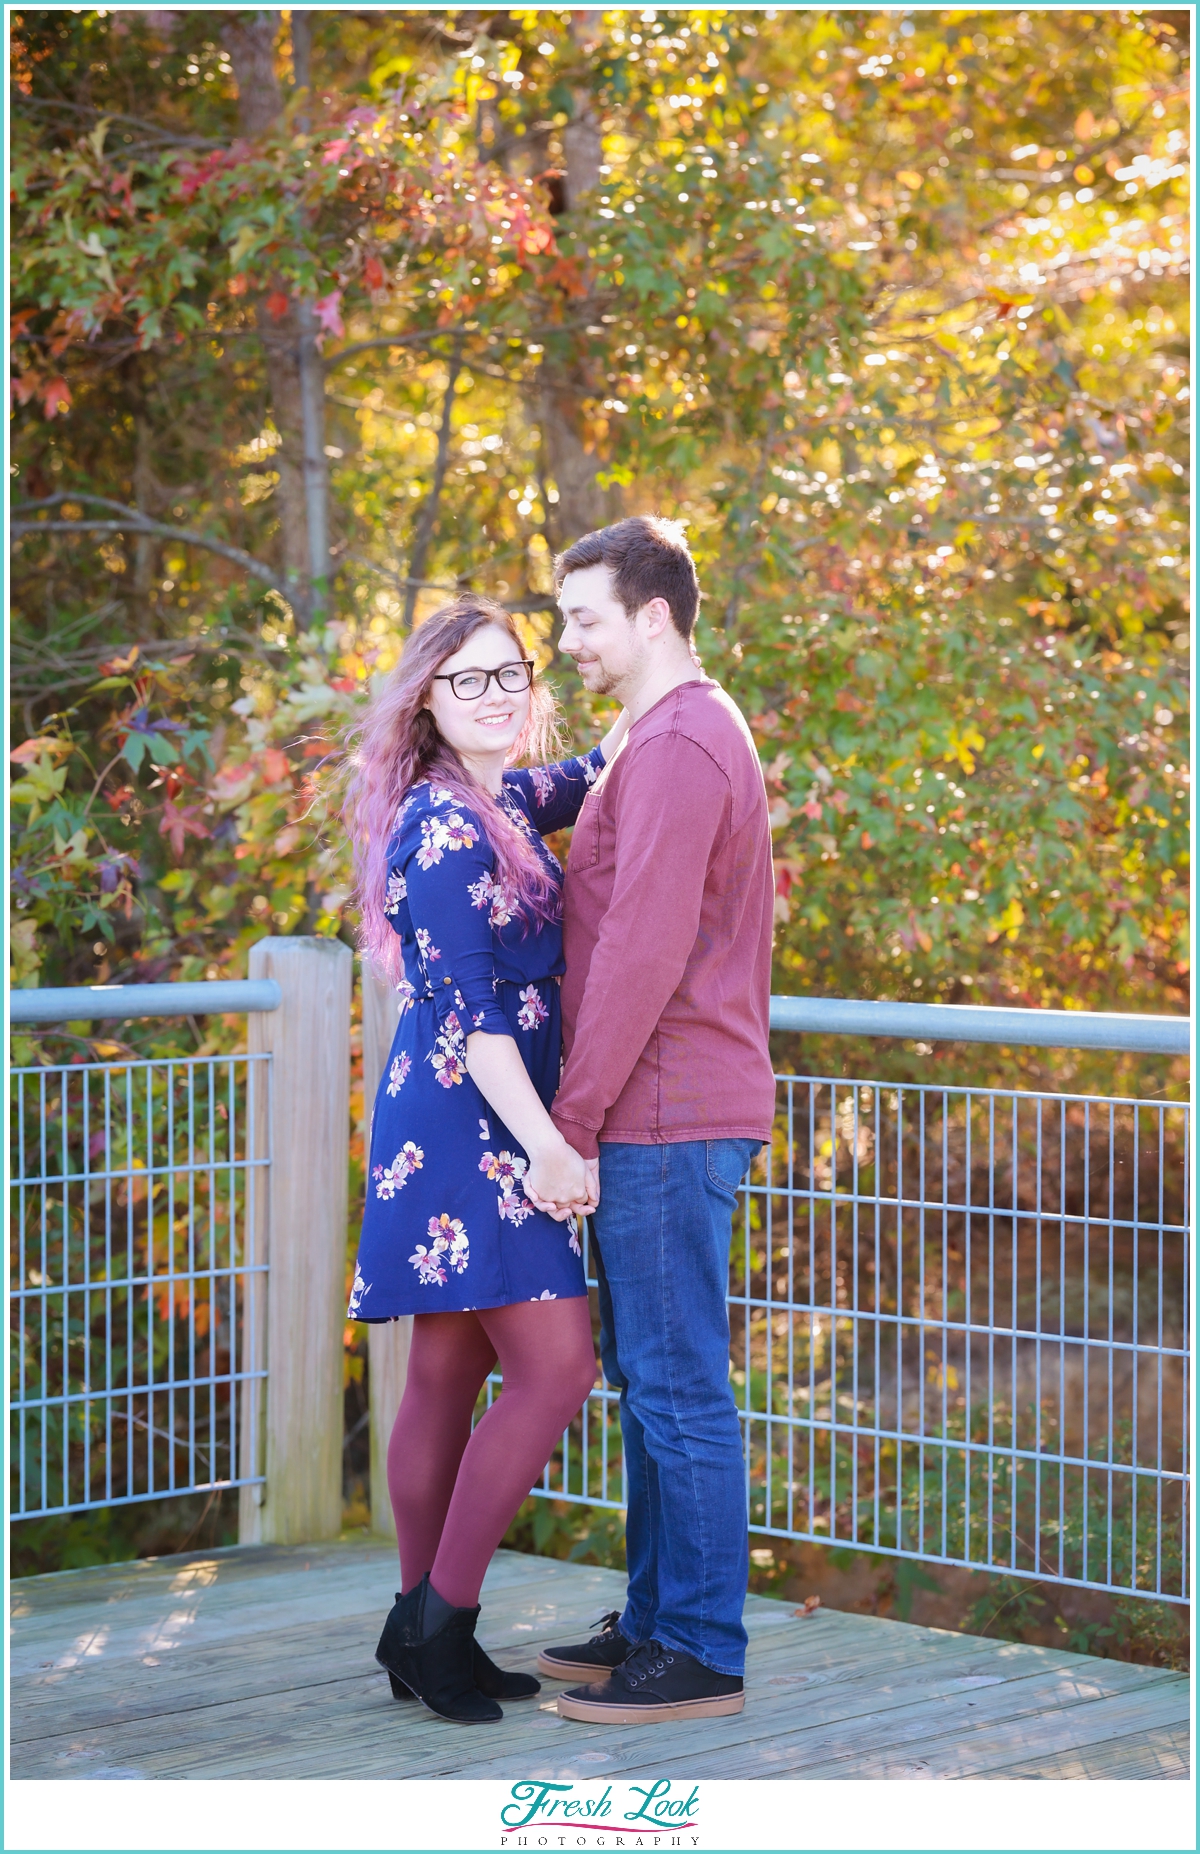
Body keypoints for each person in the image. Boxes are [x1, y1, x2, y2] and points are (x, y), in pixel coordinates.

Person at [344, 595, 626, 1725]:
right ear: (427, 698)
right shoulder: (443, 826)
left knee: (449, 1374)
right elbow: (470, 1016)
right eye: (469, 680)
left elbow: (599, 765)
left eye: (513, 672)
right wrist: (551, 1146)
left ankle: (421, 1630)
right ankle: (438, 1623)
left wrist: (671, 681)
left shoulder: (500, 794)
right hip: (479, 1125)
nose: (499, 694)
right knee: (556, 1370)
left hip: (468, 1121)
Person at [535, 516, 776, 1724]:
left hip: (667, 1111)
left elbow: (641, 947)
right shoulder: (652, 734)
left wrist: (569, 1120)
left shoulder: (681, 743)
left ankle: (700, 1650)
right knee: (651, 1377)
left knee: (676, 1382)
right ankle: (653, 1618)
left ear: (653, 618)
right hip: (652, 1107)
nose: (565, 638)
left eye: (582, 617)